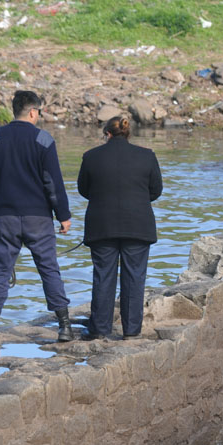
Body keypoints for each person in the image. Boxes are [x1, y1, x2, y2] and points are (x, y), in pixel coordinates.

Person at [0, 90, 74, 344]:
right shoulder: (44, 139)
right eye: (38, 112)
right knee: (49, 269)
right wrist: (63, 215)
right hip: (38, 217)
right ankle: (64, 327)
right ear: (32, 112)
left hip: (4, 215)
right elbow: (53, 182)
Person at [77, 116, 162, 340]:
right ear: (128, 134)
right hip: (138, 224)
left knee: (103, 276)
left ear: (107, 134)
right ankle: (131, 331)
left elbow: (84, 189)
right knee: (135, 278)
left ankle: (99, 329)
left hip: (101, 225)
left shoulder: (91, 157)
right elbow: (156, 190)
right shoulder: (147, 156)